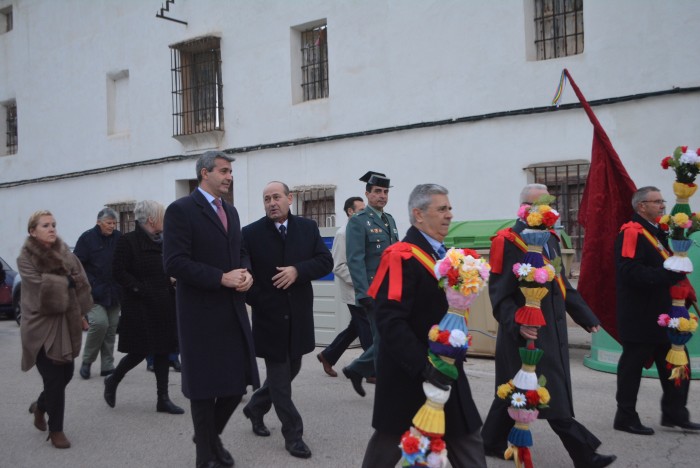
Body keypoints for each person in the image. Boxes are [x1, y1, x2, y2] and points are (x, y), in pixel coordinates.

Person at [481, 183, 616, 468]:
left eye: (549, 204)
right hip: (525, 334)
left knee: (512, 390)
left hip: (552, 330)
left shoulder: (550, 238)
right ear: (525, 208)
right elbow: (499, 295)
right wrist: (517, 321)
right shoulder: (507, 241)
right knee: (548, 392)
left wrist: (585, 316)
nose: (548, 210)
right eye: (539, 204)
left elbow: (561, 284)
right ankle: (584, 455)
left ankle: (489, 442)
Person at [361, 183, 486, 467]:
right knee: (387, 447)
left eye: (449, 208)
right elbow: (390, 320)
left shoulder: (445, 255)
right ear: (418, 214)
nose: (449, 215)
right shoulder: (401, 255)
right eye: (441, 209)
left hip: (446, 370)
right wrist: (424, 367)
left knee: (466, 439)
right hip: (411, 375)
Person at [163, 151, 260, 468]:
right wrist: (220, 278)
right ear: (205, 173)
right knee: (204, 391)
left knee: (236, 385)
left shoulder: (230, 211)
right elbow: (174, 262)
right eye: (224, 171)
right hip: (200, 315)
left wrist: (246, 273)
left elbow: (241, 251)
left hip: (232, 311)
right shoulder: (181, 211)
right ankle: (204, 456)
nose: (229, 176)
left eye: (231, 171)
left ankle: (208, 437)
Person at [241, 181, 333, 459]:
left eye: (276, 197)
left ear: (289, 199)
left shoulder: (307, 228)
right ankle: (293, 435)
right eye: (267, 198)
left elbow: (324, 261)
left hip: (299, 317)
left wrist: (297, 270)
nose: (271, 203)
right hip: (269, 318)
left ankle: (255, 406)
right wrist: (259, 299)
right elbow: (245, 274)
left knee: (291, 370)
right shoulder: (250, 233)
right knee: (281, 383)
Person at [614, 186, 700, 434]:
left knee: (677, 362)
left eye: (662, 201)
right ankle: (625, 417)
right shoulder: (631, 232)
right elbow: (629, 272)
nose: (663, 205)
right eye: (657, 201)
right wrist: (667, 274)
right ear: (641, 206)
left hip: (666, 312)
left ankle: (676, 414)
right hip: (640, 313)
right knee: (631, 367)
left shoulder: (658, 231)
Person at [18, 210, 93, 449]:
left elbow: (82, 281)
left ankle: (40, 407)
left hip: (66, 322)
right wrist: (67, 282)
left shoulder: (67, 255)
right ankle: (56, 430)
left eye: (53, 225)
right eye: (45, 225)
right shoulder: (25, 258)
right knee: (53, 378)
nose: (51, 229)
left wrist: (81, 312)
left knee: (66, 374)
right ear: (32, 231)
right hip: (40, 326)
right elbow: (43, 290)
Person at [104, 200, 185, 415]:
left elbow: (166, 268)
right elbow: (119, 272)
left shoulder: (163, 242)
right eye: (162, 215)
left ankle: (163, 399)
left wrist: (172, 281)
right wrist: (140, 289)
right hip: (140, 305)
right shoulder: (128, 242)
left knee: (163, 351)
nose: (165, 220)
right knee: (138, 352)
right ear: (151, 219)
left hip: (164, 303)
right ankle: (113, 380)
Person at [342, 171, 398, 397]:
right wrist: (363, 293)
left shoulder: (390, 220)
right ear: (367, 194)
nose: (382, 196)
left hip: (393, 289)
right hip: (374, 291)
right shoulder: (358, 221)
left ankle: (356, 369)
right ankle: (377, 380)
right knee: (384, 339)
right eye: (377, 192)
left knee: (389, 337)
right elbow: (355, 259)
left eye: (385, 192)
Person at [316, 196, 373, 377]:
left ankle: (327, 355)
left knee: (355, 327)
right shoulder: (343, 233)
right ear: (350, 211)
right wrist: (360, 281)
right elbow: (338, 265)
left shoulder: (362, 230)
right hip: (353, 290)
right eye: (360, 209)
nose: (364, 212)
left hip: (365, 289)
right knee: (366, 328)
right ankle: (371, 369)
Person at [75, 207, 121, 380]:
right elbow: (78, 265)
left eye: (114, 223)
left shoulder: (118, 238)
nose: (112, 226)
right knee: (100, 324)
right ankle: (87, 362)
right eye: (108, 223)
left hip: (114, 290)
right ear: (98, 222)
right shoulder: (87, 239)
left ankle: (107, 366)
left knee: (111, 327)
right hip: (93, 292)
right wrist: (89, 284)